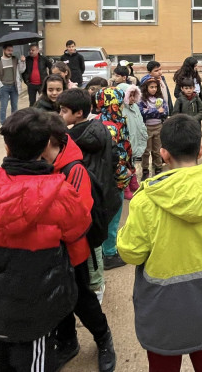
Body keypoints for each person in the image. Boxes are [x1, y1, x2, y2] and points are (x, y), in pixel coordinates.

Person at [0, 108, 91, 372]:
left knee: (3, 360)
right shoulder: (63, 192)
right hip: (42, 307)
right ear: (45, 147)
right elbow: (78, 239)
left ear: (7, 146)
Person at [117, 115, 202, 372]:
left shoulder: (146, 201)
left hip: (166, 309)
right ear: (200, 150)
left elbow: (131, 253)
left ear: (163, 154)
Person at [42, 114, 117, 372]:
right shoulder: (40, 163)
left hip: (73, 251)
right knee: (56, 301)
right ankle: (67, 341)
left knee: (81, 299)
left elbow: (76, 215)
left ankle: (103, 337)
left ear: (51, 141)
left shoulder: (74, 169)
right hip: (49, 250)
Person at [58, 88, 121, 303]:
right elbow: (114, 157)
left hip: (88, 197)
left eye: (64, 111)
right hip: (104, 193)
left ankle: (95, 286)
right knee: (96, 242)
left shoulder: (71, 139)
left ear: (77, 113)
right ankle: (97, 284)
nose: (60, 115)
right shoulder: (101, 128)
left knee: (90, 244)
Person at [93, 87, 133, 270]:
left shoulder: (100, 121)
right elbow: (115, 155)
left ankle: (103, 250)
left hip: (105, 178)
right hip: (113, 179)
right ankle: (109, 253)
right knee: (112, 216)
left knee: (106, 215)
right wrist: (122, 175)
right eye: (117, 103)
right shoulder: (110, 126)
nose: (120, 106)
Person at [138, 78, 169, 180]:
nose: (154, 89)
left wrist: (150, 111)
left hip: (158, 127)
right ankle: (145, 170)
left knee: (157, 150)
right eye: (151, 87)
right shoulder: (142, 100)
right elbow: (142, 113)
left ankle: (158, 168)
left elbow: (165, 112)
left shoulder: (160, 99)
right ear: (146, 88)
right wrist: (157, 111)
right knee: (146, 151)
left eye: (156, 87)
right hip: (146, 128)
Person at [0, 44, 26, 124]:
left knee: (15, 106)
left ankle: (14, 123)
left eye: (11, 50)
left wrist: (22, 61)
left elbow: (21, 70)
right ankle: (3, 124)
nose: (10, 52)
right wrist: (1, 85)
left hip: (14, 86)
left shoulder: (15, 60)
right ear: (4, 50)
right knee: (3, 107)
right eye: (9, 50)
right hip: (3, 87)